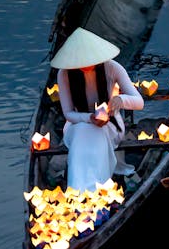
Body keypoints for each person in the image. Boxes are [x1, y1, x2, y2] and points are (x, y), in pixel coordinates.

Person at [51, 26, 144, 191]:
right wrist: (88, 118)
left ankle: (98, 188)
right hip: (76, 124)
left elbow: (139, 102)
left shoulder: (112, 68)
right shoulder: (64, 74)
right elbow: (68, 113)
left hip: (110, 124)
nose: (85, 64)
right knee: (82, 133)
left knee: (97, 133)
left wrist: (120, 99)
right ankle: (77, 189)